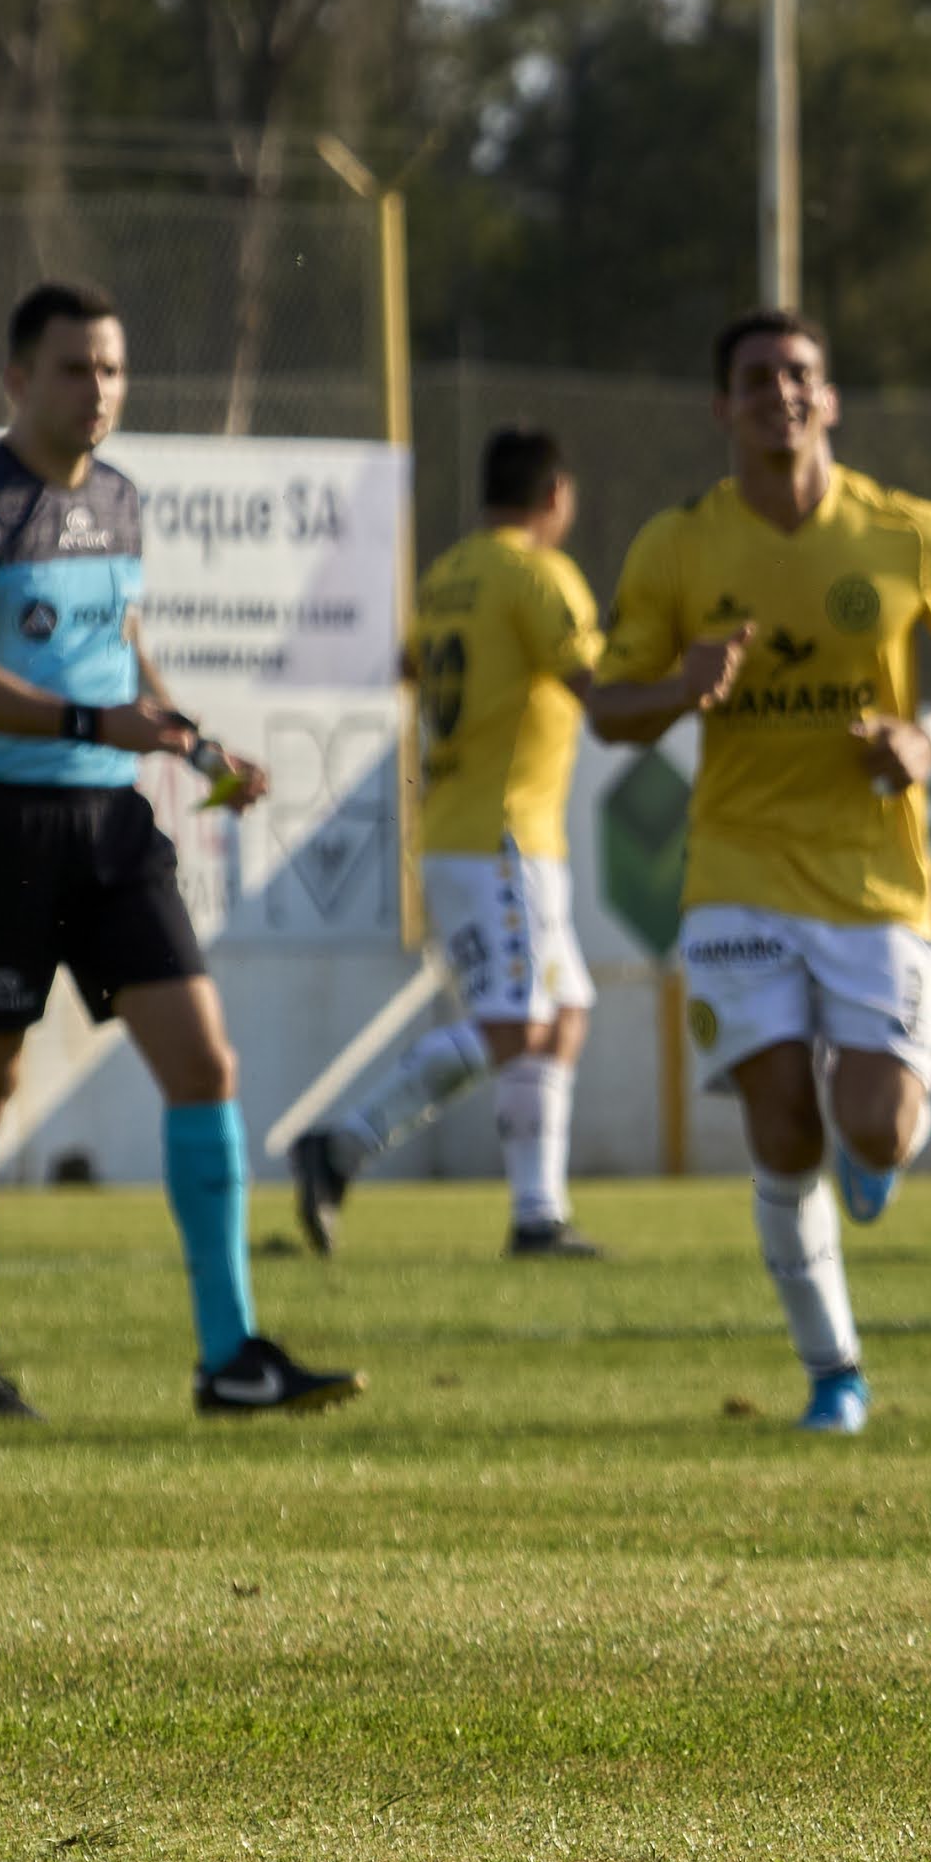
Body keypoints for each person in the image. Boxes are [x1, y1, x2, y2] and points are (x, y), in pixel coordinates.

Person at [0, 280, 344, 1422]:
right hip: (0, 826)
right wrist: (105, 728)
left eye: (110, 369)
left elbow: (125, 660)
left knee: (204, 1066)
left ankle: (230, 1356)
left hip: (114, 828)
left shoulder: (128, 503)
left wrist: (199, 754)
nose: (96, 390)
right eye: (72, 369)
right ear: (16, 379)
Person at [592, 312, 931, 1435]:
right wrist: (681, 687)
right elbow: (609, 711)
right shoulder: (677, 547)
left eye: (800, 376)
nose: (779, 393)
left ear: (829, 400)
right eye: (755, 379)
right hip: (735, 867)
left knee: (872, 1124)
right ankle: (835, 1370)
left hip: (875, 876)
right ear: (722, 408)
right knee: (784, 1121)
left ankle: (875, 1160)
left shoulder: (905, 531)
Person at [296, 425, 609, 1260]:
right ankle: (367, 1155)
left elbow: (408, 663)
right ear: (556, 495)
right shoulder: (538, 574)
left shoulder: (448, 574)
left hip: (473, 828)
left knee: (563, 1011)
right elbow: (595, 684)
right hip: (501, 833)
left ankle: (511, 1205)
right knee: (515, 1025)